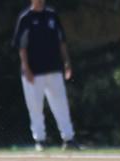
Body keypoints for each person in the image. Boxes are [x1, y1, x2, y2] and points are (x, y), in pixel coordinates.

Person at [11, 1, 79, 151]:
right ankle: (40, 140)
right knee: (35, 107)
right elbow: (21, 46)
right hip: (33, 72)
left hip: (54, 69)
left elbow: (62, 41)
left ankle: (68, 138)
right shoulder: (26, 18)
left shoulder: (52, 15)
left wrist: (66, 62)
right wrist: (26, 68)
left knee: (61, 104)